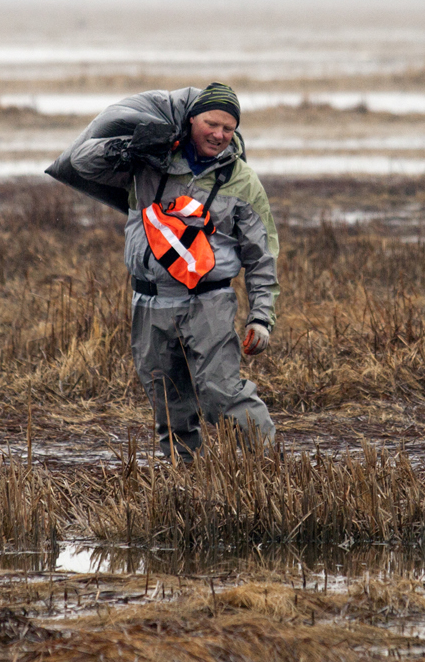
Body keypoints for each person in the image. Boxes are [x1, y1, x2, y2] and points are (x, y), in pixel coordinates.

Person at [46, 82, 278, 460]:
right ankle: (183, 479)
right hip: (150, 302)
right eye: (211, 123)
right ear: (190, 121)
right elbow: (81, 162)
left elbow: (262, 255)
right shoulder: (149, 163)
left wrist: (261, 318)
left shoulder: (242, 181)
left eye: (228, 128)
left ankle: (270, 469)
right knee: (168, 403)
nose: (219, 135)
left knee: (221, 394)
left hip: (210, 302)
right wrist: (126, 147)